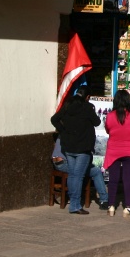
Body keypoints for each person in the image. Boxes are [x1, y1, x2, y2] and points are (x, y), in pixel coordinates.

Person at [50, 85, 100, 215]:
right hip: (82, 148)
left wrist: (64, 131)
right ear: (87, 97)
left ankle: (73, 203)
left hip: (68, 147)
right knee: (78, 176)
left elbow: (54, 119)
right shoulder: (87, 107)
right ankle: (75, 205)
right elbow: (97, 122)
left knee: (73, 175)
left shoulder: (67, 105)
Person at [104, 89, 130, 218]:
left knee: (113, 180)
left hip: (114, 150)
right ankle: (128, 207)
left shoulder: (110, 116)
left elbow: (108, 130)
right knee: (128, 180)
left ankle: (111, 206)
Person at [52, 136, 109, 209]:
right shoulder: (78, 136)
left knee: (87, 167)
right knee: (96, 171)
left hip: (57, 162)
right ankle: (104, 199)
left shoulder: (65, 132)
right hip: (64, 163)